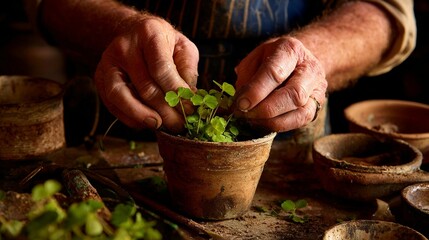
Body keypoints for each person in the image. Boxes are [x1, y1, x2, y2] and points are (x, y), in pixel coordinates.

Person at [24, 0, 416, 145]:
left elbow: (386, 12)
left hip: (290, 144)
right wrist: (119, 28)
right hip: (115, 130)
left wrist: (314, 54)